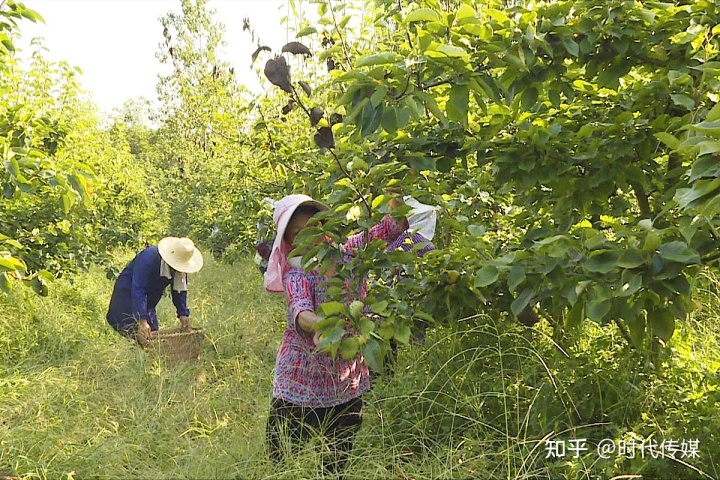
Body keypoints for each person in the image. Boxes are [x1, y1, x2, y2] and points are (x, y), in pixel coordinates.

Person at [264, 193, 408, 475]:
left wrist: (395, 186)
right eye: (298, 234)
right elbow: (300, 310)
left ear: (325, 226)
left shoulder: (350, 254)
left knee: (335, 462)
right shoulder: (298, 273)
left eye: (314, 227)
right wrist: (323, 326)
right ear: (290, 243)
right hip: (300, 380)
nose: (309, 238)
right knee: (279, 458)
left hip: (347, 378)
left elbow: (392, 227)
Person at [106, 237, 204, 345]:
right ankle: (135, 358)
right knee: (139, 334)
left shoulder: (181, 267)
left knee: (153, 337)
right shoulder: (148, 259)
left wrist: (183, 314)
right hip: (127, 294)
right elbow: (138, 289)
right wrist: (142, 320)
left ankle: (145, 358)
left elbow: (179, 290)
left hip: (148, 299)